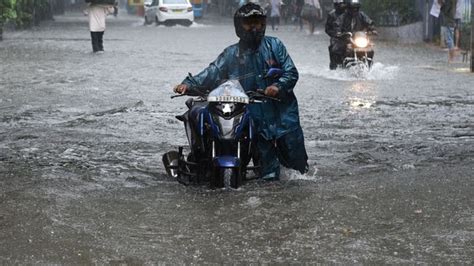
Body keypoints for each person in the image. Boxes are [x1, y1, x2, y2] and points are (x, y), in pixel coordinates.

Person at [173, 3, 309, 180]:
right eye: (249, 23)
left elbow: (291, 72)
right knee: (267, 173)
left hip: (284, 115)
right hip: (254, 119)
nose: (255, 28)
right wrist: (188, 85)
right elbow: (211, 74)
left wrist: (278, 86)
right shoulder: (231, 54)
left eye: (259, 23)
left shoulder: (275, 45)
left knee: (298, 168)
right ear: (238, 26)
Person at [325, 0, 347, 70]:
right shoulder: (332, 15)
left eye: (343, 4)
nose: (342, 6)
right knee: (333, 49)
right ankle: (334, 65)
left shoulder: (349, 14)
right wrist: (335, 34)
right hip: (337, 38)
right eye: (340, 4)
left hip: (349, 37)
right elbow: (327, 29)